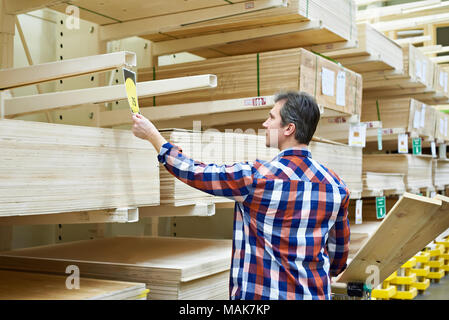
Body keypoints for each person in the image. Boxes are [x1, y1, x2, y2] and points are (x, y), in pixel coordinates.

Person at [131, 91, 350, 300]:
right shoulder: (336, 186)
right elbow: (338, 257)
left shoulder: (257, 179)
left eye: (271, 118)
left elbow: (195, 172)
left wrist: (153, 136)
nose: (265, 124)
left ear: (289, 129)